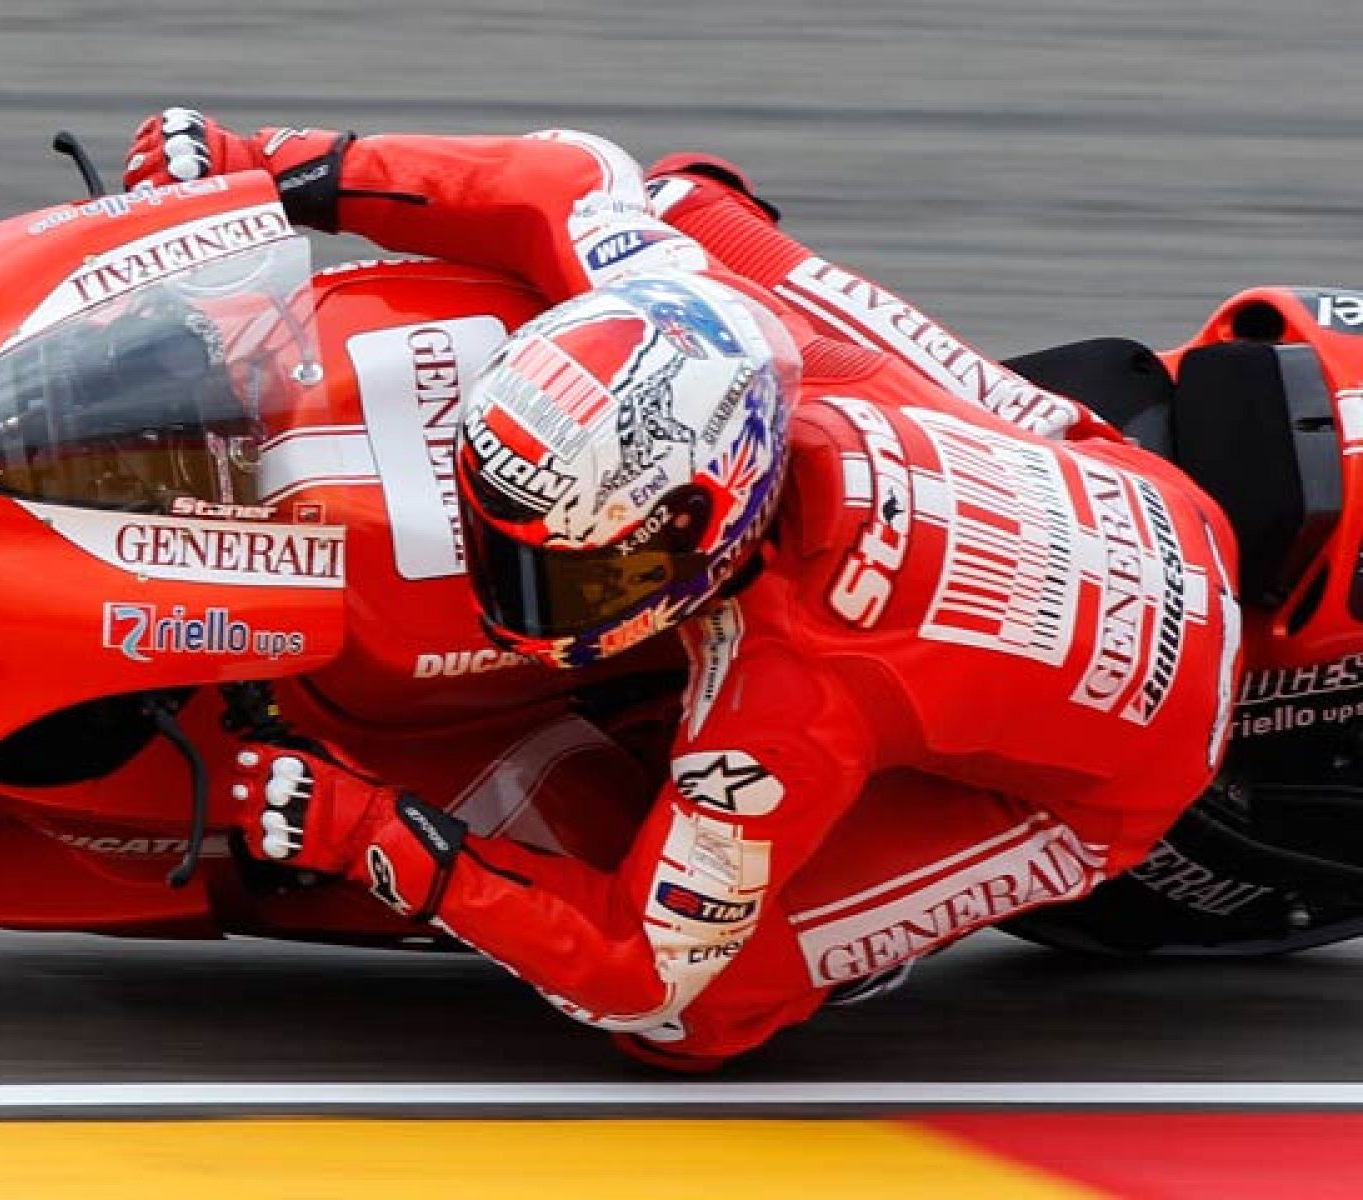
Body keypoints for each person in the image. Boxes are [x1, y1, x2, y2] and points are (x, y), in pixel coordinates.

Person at [125, 111, 1243, 1069]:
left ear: (706, 524)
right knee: (682, 203)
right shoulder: (684, 298)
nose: (518, 588)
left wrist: (372, 829)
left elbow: (634, 973)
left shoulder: (778, 717)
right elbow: (562, 180)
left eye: (571, 569)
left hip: (1128, 753)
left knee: (694, 1018)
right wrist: (268, 164)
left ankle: (848, 958)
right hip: (1113, 480)